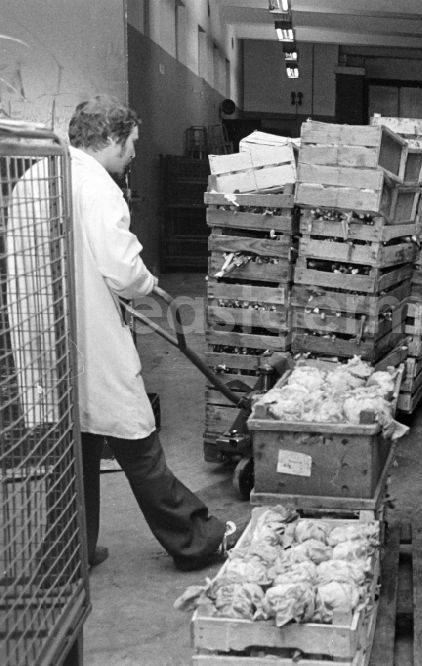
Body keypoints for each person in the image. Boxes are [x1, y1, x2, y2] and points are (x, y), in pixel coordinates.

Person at [66, 95, 241, 571]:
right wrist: (150, 286)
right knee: (136, 438)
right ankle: (196, 540)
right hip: (93, 338)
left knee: (73, 450)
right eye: (132, 143)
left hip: (51, 340)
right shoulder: (99, 188)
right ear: (110, 138)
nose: (135, 154)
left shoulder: (40, 177)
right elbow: (121, 271)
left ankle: (66, 553)